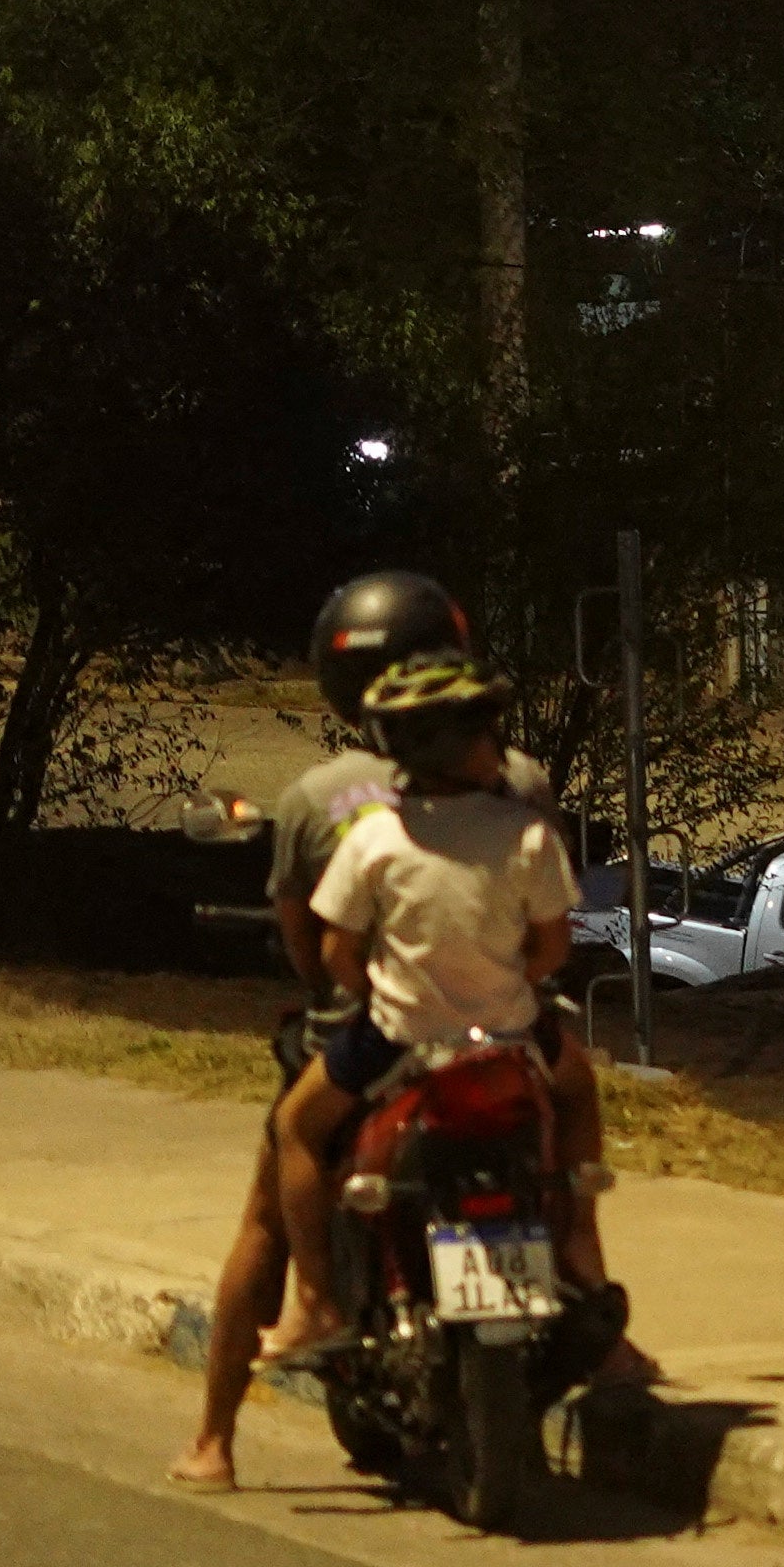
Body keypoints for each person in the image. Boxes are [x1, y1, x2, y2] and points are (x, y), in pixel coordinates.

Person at [177, 571, 470, 1484]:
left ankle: (218, 1435)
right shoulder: (509, 772)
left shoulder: (314, 799)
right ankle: (601, 1323)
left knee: (268, 1209)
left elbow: (311, 953)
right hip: (496, 1028)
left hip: (371, 1036)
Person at [273, 650, 624, 1358]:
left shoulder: (374, 837)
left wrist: (381, 994)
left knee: (297, 1127)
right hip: (511, 1036)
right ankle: (582, 1250)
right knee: (579, 1092)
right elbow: (552, 950)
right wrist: (505, 985)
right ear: (458, 745)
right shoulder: (527, 835)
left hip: (396, 1039)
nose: (500, 747)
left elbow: (340, 953)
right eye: (488, 734)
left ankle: (313, 1299)